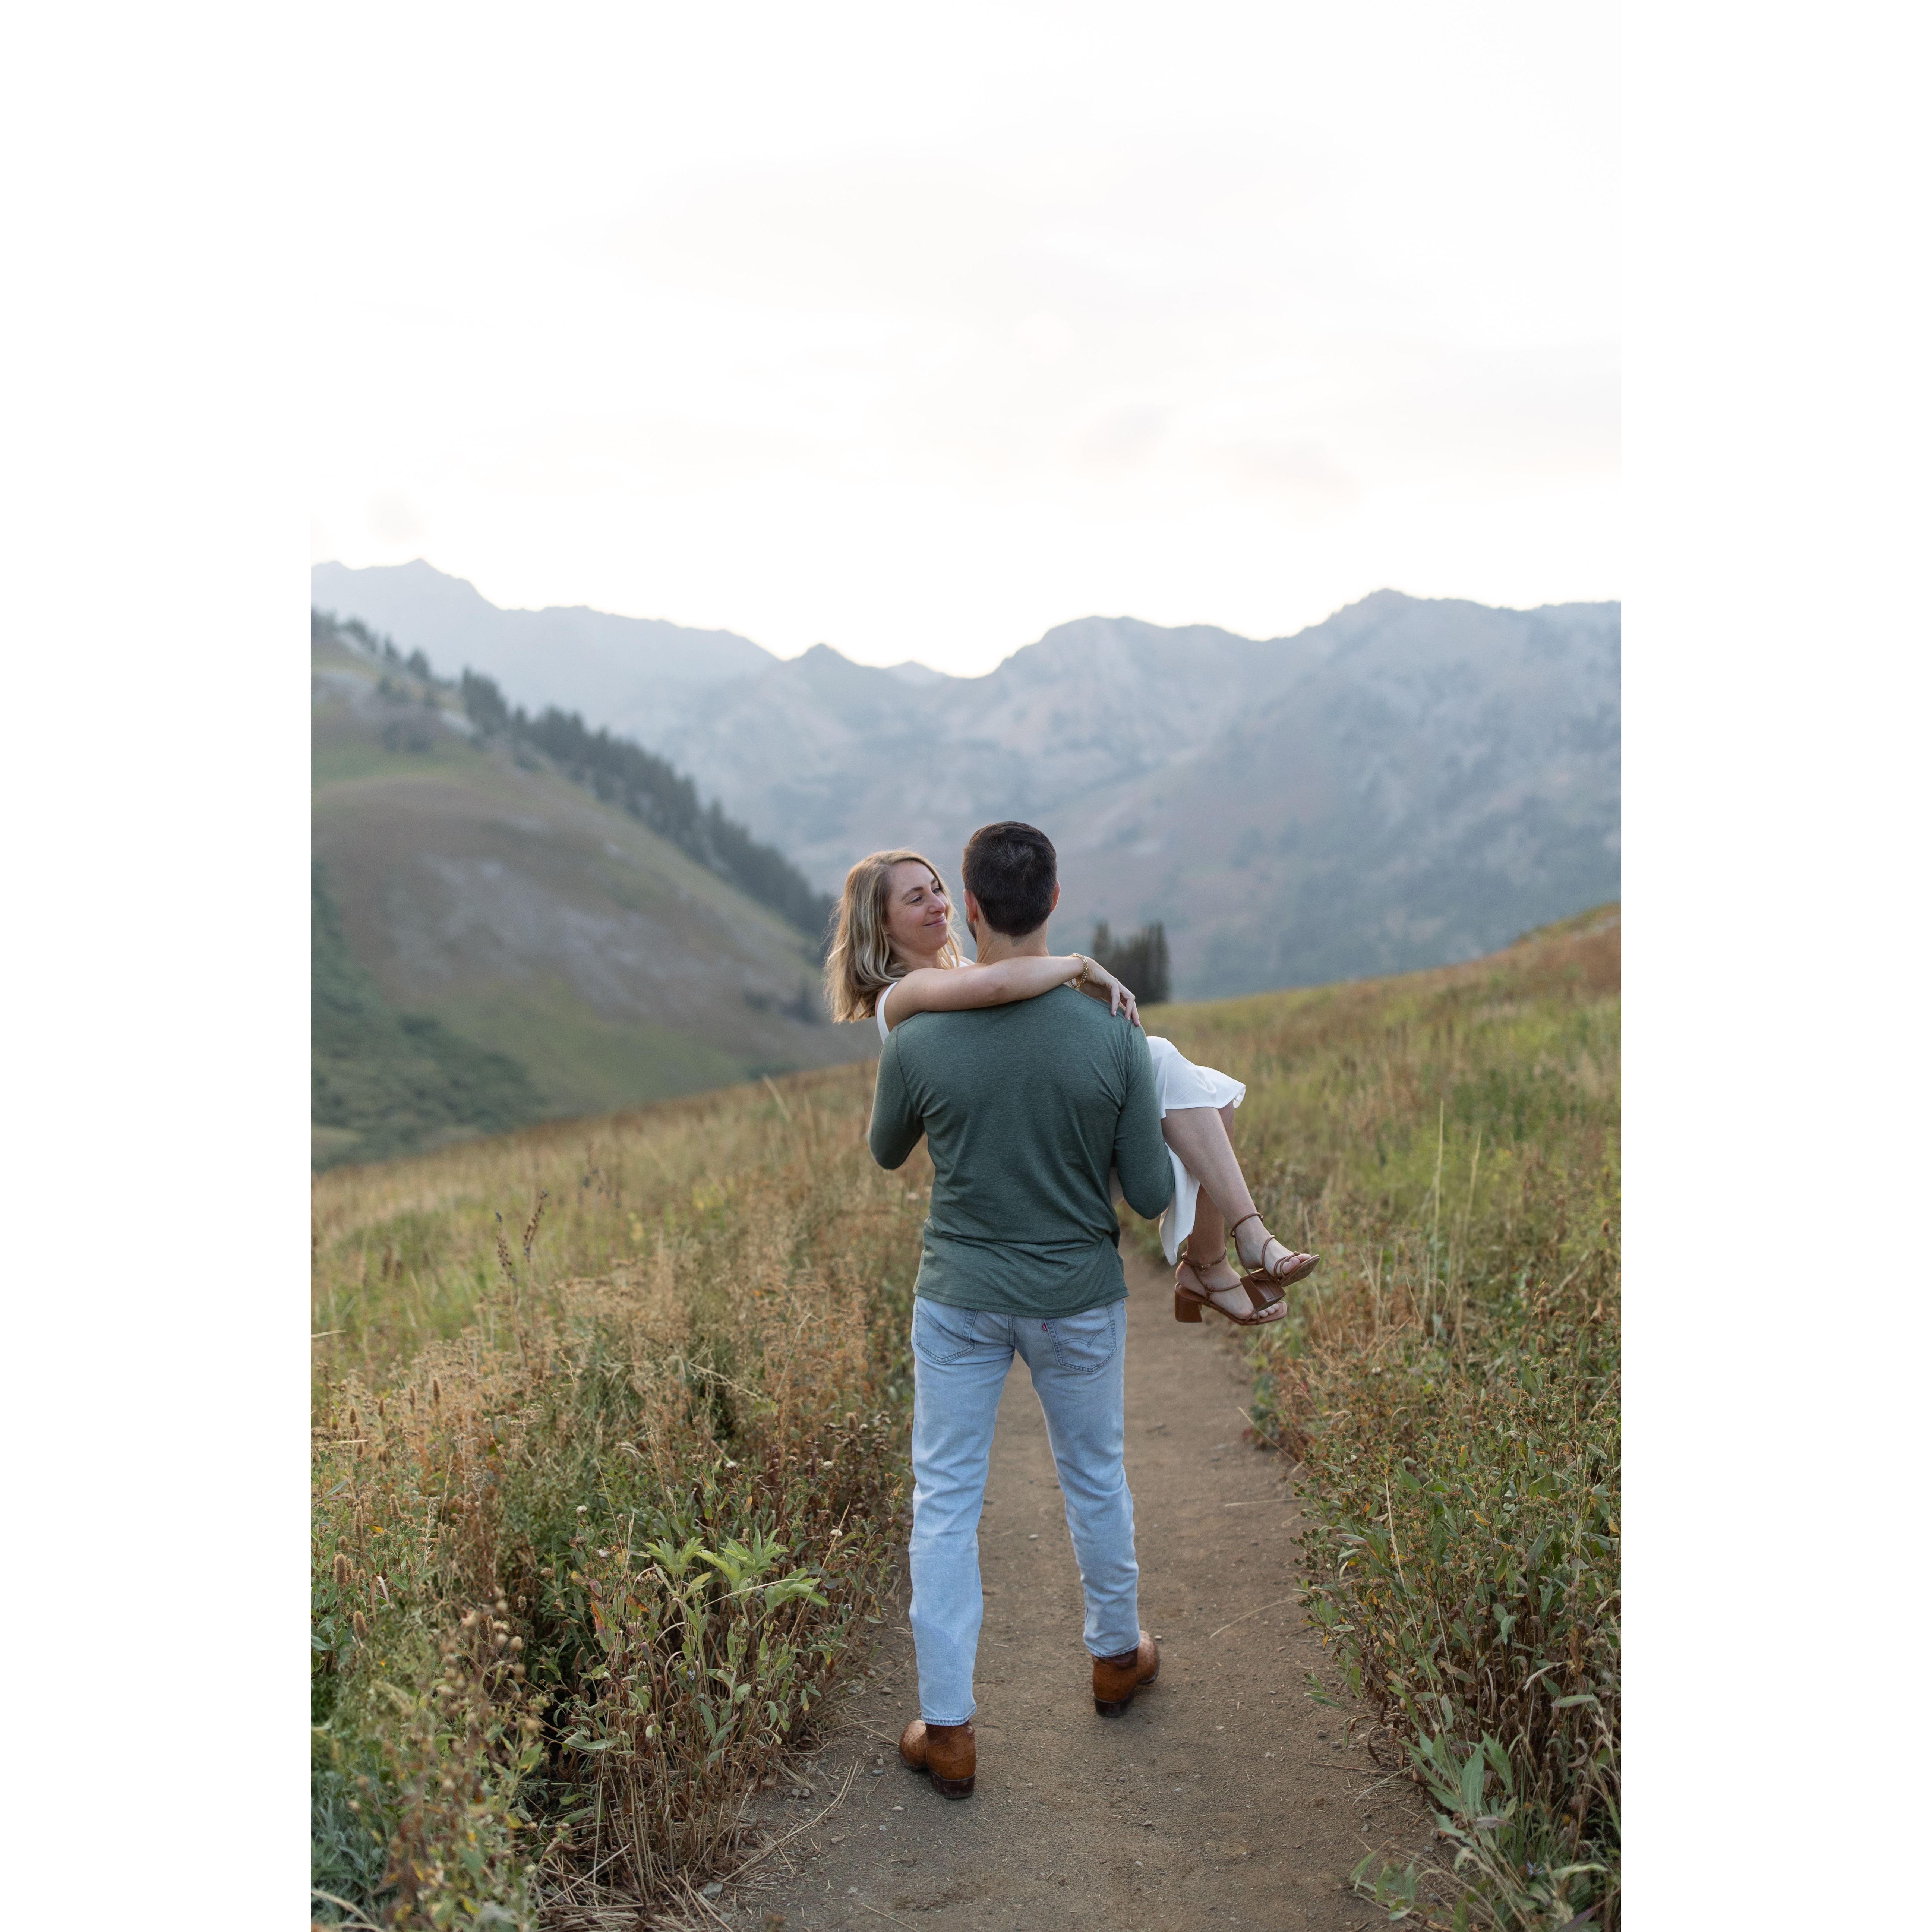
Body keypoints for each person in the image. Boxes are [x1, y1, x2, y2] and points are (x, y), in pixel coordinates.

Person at [831, 822, 1314, 1803]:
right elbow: (1147, 1192)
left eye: (943, 893)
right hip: (1075, 1294)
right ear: (1053, 900)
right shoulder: (1108, 1028)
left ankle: (949, 1729)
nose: (937, 906)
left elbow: (886, 1151)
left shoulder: (916, 1031)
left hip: (960, 1296)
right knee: (1094, 1475)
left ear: (972, 908)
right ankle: (1114, 1660)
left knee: (945, 1501)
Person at [825, 845, 1317, 1325]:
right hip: (1034, 1162)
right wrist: (1081, 966)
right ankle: (1223, 1256)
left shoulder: (957, 974)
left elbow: (1008, 987)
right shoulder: (899, 995)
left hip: (1043, 1131)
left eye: (938, 889)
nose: (937, 904)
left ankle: (1223, 1253)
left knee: (1210, 1094)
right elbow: (997, 985)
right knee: (1169, 1064)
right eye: (916, 898)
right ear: (881, 922)